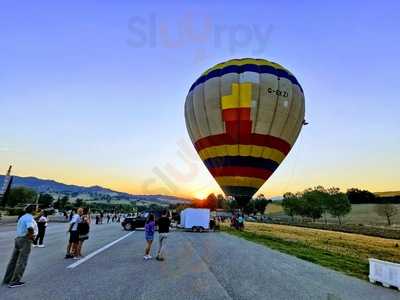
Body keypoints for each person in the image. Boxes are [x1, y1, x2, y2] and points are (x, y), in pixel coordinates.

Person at [3, 206, 37, 288]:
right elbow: (30, 228)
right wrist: (32, 238)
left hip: (18, 238)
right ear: (33, 210)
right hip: (25, 239)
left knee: (13, 260)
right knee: (22, 261)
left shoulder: (23, 217)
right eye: (36, 209)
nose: (37, 210)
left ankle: (7, 279)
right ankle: (15, 281)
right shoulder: (29, 218)